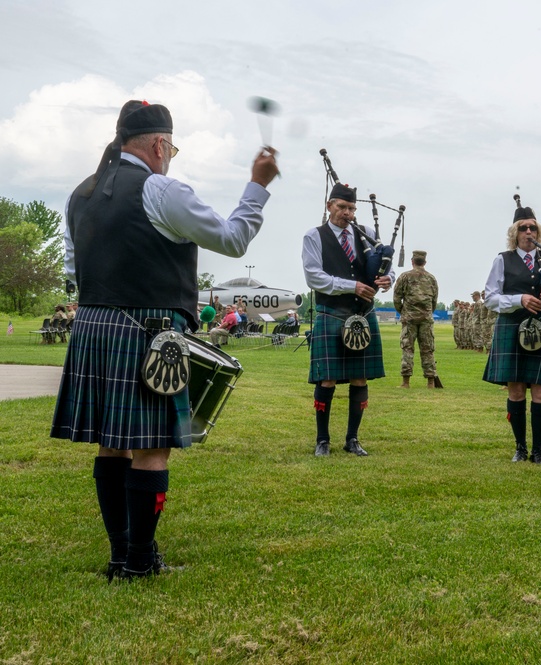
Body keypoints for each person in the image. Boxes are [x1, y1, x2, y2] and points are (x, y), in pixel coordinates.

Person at [51, 99, 279, 580]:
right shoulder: (163, 190)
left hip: (93, 324)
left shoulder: (79, 195)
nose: (170, 155)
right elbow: (233, 239)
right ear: (159, 144)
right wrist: (257, 186)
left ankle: (121, 555)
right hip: (150, 330)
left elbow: (75, 270)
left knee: (111, 445)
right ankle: (138, 561)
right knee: (152, 445)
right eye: (171, 147)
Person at [303, 181, 394, 458]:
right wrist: (351, 286)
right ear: (329, 205)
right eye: (342, 207)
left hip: (363, 314)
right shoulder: (314, 236)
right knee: (327, 379)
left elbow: (386, 266)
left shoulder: (366, 234)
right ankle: (322, 440)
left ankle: (352, 439)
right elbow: (313, 276)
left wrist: (388, 278)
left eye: (352, 208)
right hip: (332, 312)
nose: (347, 213)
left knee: (359, 377)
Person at [483, 202, 541, 465]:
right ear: (514, 233)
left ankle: (538, 450)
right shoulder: (503, 259)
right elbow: (490, 298)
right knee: (515, 391)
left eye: (532, 228)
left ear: (538, 233)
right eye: (523, 228)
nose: (528, 232)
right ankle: (520, 447)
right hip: (511, 328)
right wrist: (520, 299)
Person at [393, 250, 441, 389]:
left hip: (409, 319)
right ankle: (430, 382)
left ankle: (406, 382)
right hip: (426, 318)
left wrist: (403, 311)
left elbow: (397, 298)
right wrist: (428, 312)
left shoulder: (405, 276)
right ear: (424, 262)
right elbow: (434, 300)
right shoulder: (431, 278)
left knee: (407, 349)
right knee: (428, 350)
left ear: (412, 261)